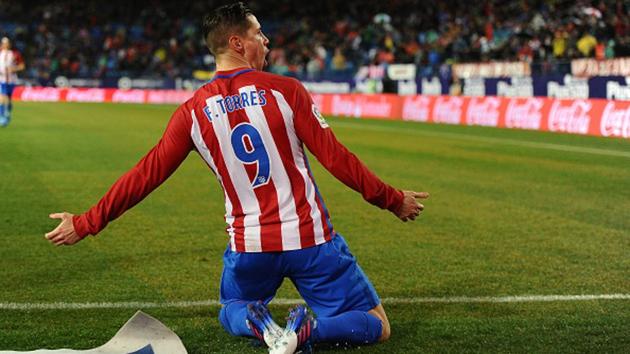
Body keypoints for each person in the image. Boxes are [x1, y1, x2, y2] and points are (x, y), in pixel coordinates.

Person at [45, 3, 429, 353]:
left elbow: (146, 174)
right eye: (258, 33)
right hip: (311, 241)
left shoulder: (192, 112)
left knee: (231, 308)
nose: (266, 40)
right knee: (378, 326)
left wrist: (85, 223)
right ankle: (309, 331)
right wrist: (393, 200)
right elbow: (337, 160)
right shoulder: (286, 91)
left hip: (250, 249)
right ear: (237, 43)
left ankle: (261, 326)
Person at [0, 37, 25, 127]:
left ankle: (8, 113)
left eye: (6, 43)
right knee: (2, 97)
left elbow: (22, 66)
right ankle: (2, 116)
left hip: (11, 79)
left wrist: (14, 68)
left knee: (9, 99)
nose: (5, 45)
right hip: (2, 79)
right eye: (3, 43)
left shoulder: (15, 54)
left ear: (9, 44)